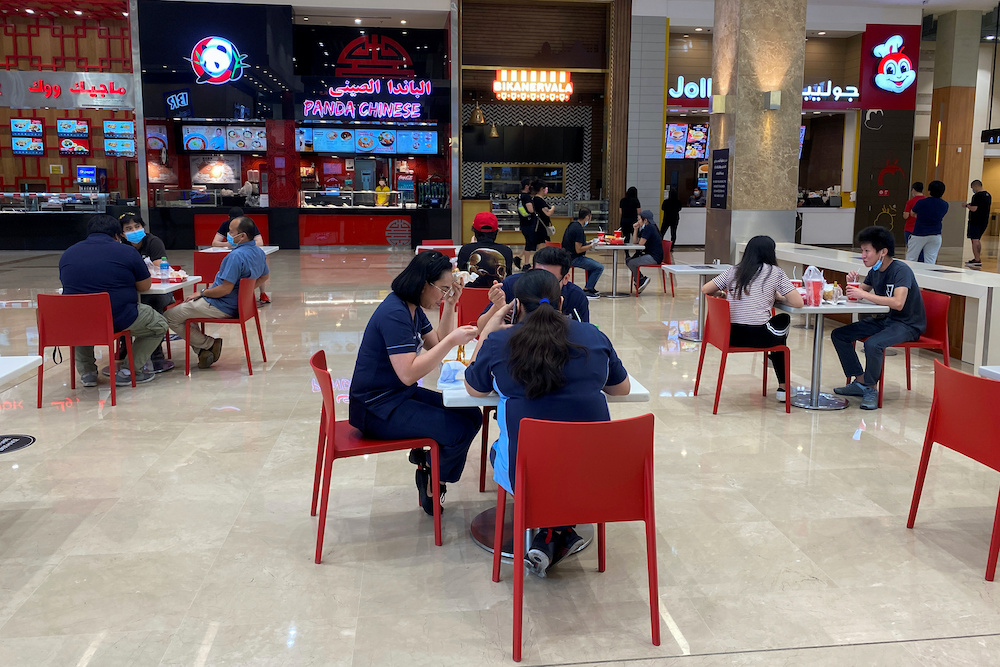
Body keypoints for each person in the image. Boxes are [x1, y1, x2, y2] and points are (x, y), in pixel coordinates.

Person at [464, 269, 630, 577]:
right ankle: (557, 531)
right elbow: (622, 389)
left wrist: (488, 330)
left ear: (517, 307)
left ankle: (552, 529)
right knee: (563, 452)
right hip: (595, 476)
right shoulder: (593, 335)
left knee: (498, 452)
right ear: (562, 301)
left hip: (528, 476)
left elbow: (475, 389)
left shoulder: (501, 342)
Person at [348, 250, 482, 515]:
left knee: (472, 416)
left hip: (398, 395)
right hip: (376, 409)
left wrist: (451, 306)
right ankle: (434, 484)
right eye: (442, 289)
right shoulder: (394, 313)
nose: (443, 294)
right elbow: (409, 373)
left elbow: (437, 342)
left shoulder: (411, 307)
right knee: (456, 429)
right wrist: (452, 340)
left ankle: (431, 468)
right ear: (424, 284)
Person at [58, 214, 168, 387]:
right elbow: (145, 286)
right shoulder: (127, 252)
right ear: (117, 235)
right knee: (159, 325)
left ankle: (87, 373)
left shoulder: (68, 253)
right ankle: (128, 370)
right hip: (118, 316)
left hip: (78, 318)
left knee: (82, 323)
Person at [832, 226, 926, 410]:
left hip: (907, 324)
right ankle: (860, 381)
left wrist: (863, 294)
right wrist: (852, 284)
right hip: (886, 320)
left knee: (873, 344)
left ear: (882, 252)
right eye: (862, 251)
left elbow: (898, 303)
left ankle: (871, 389)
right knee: (839, 335)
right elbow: (859, 294)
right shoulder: (875, 270)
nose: (863, 255)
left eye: (867, 251)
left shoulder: (901, 270)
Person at [701, 236, 804, 402]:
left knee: (777, 336)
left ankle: (778, 370)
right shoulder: (775, 272)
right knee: (782, 321)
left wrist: (721, 294)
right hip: (759, 338)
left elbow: (706, 289)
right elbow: (797, 302)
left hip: (730, 336)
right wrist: (779, 298)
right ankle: (783, 386)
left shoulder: (734, 270)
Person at [165, 216, 269, 370]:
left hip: (220, 304)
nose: (228, 234)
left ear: (242, 236)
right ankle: (202, 351)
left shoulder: (235, 256)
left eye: (231, 232)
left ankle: (209, 344)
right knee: (186, 314)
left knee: (168, 317)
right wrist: (243, 292)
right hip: (240, 305)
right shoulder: (259, 252)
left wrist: (202, 292)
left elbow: (224, 289)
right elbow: (265, 276)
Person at [477, 246, 590, 329]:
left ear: (566, 279)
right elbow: (481, 328)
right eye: (537, 275)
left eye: (551, 280)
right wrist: (497, 307)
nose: (542, 284)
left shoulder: (576, 297)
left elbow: (585, 336)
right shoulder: (512, 285)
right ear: (531, 270)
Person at [120, 213, 174, 373]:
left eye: (137, 226)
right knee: (123, 304)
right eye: (129, 228)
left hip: (157, 291)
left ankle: (156, 353)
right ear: (122, 234)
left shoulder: (153, 242)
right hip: (132, 291)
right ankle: (125, 346)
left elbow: (159, 265)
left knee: (151, 303)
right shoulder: (120, 246)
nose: (134, 230)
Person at [211, 207, 270, 305]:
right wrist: (229, 244)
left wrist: (243, 244)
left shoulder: (247, 225)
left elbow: (260, 242)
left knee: (257, 268)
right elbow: (214, 242)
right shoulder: (226, 225)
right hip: (231, 253)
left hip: (244, 253)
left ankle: (262, 293)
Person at [458, 211, 514, 288]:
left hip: (469, 298)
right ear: (496, 231)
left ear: (474, 231)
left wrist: (470, 247)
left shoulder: (465, 250)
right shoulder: (507, 251)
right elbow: (508, 279)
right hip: (499, 298)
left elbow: (460, 278)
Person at [561, 206, 604, 297]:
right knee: (599, 267)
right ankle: (588, 289)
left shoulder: (572, 225)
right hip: (574, 258)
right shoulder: (579, 229)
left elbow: (575, 243)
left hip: (566, 255)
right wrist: (591, 246)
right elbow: (578, 249)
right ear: (587, 217)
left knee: (591, 266)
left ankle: (590, 287)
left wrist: (588, 242)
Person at [908, 180, 948, 264]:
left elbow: (912, 213)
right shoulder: (945, 204)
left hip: (919, 233)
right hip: (935, 234)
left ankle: (908, 276)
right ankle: (928, 276)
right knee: (930, 260)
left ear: (929, 191)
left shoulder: (921, 202)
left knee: (911, 258)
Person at [627, 210, 664, 294]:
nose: (638, 221)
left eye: (639, 219)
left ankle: (640, 280)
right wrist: (635, 229)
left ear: (645, 220)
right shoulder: (645, 228)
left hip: (654, 257)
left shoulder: (649, 227)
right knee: (628, 260)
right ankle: (641, 279)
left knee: (632, 262)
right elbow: (635, 241)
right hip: (649, 255)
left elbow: (641, 243)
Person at [963, 179, 992, 267]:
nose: (973, 190)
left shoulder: (977, 196)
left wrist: (967, 205)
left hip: (975, 221)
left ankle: (977, 259)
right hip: (984, 220)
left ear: (975, 186)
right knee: (977, 239)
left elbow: (974, 208)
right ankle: (977, 258)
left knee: (975, 240)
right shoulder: (988, 195)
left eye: (972, 188)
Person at [515, 177, 536, 270]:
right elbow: (530, 209)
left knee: (529, 242)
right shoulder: (527, 197)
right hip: (529, 223)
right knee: (529, 244)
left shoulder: (520, 196)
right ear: (527, 186)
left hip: (523, 223)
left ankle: (518, 258)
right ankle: (526, 264)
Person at [902, 182, 924, 260]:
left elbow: (906, 216)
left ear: (913, 190)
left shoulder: (911, 202)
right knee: (922, 252)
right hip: (923, 229)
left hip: (910, 229)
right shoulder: (926, 200)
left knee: (912, 251)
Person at [530, 179, 554, 249]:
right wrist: (553, 208)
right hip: (541, 227)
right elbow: (547, 213)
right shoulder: (538, 200)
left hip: (541, 226)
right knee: (542, 245)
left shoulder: (536, 199)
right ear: (541, 189)